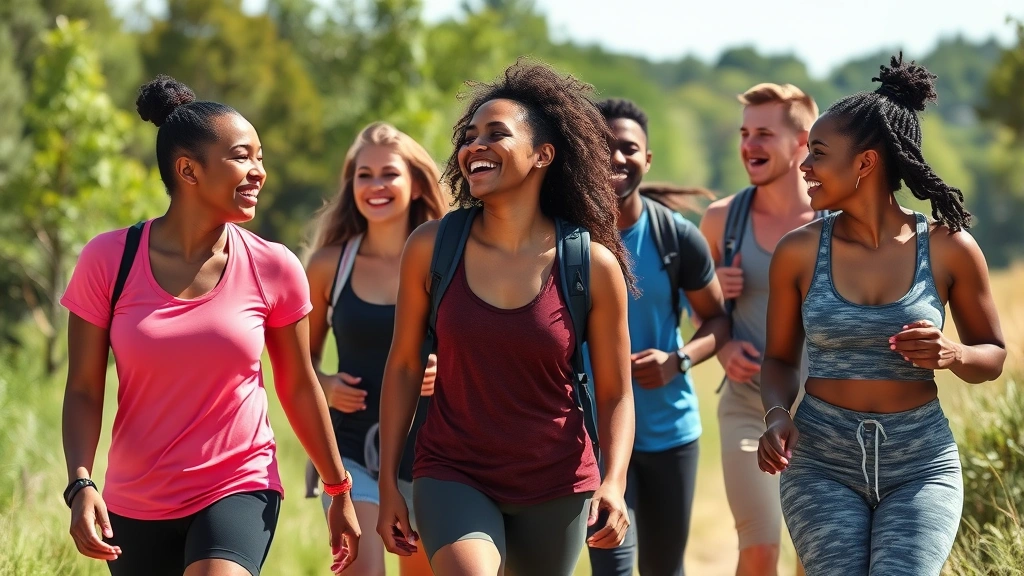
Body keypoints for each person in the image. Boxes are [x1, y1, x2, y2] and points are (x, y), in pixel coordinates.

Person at [60, 75, 359, 576]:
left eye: (260, 157)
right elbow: (85, 389)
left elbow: (299, 384)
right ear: (188, 170)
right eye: (243, 156)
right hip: (136, 500)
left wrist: (338, 490)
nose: (259, 172)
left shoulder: (274, 267)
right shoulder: (108, 260)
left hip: (239, 484)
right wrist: (80, 483)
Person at [376, 60, 636, 576]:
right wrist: (387, 482)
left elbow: (616, 392)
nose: (475, 145)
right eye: (469, 136)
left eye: (496, 133)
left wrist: (614, 482)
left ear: (543, 154)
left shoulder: (591, 265)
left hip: (557, 481)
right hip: (453, 470)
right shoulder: (432, 247)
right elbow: (405, 365)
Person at [758, 54, 1005, 575]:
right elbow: (780, 358)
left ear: (865, 163)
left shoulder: (949, 247)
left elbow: (994, 357)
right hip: (820, 462)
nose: (804, 167)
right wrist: (777, 414)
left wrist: (953, 352)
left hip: (920, 463)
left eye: (818, 154)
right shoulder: (798, 252)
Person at [586, 98, 730, 576]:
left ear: (647, 159)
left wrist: (678, 360)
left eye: (628, 148)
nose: (616, 157)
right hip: (592, 441)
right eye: (603, 146)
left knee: (665, 570)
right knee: (612, 568)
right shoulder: (563, 238)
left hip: (669, 434)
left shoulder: (676, 237)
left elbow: (718, 322)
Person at [305, 121, 447, 576]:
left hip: (435, 453)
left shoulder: (449, 258)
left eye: (389, 173)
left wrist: (448, 368)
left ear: (415, 183)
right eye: (364, 175)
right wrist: (325, 384)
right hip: (351, 451)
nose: (376, 186)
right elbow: (299, 359)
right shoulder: (329, 264)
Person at [698, 82, 819, 576]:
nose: (749, 145)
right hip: (748, 405)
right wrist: (723, 341)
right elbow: (702, 314)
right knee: (760, 545)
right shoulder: (721, 221)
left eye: (764, 133)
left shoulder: (835, 221)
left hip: (825, 412)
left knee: (815, 554)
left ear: (802, 142)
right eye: (745, 133)